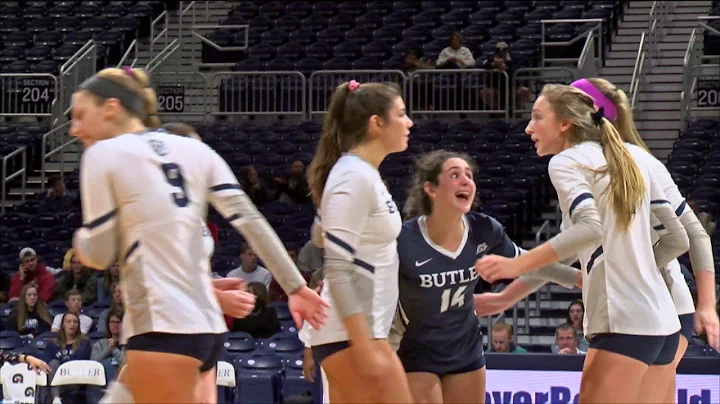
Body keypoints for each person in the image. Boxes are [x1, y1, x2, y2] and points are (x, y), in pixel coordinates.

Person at [69, 67, 329, 403]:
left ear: (111, 108)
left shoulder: (103, 153)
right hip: (205, 331)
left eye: (79, 115)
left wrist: (82, 242)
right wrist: (296, 287)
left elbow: (100, 254)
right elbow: (251, 219)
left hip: (162, 327)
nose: (74, 129)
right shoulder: (197, 151)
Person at [475, 83, 690, 403]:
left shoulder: (566, 162)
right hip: (665, 325)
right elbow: (677, 239)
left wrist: (514, 264)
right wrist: (508, 296)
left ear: (565, 124)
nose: (528, 127)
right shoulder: (630, 159)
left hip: (623, 324)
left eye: (537, 117)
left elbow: (591, 229)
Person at [391, 150, 580, 403]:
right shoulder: (404, 239)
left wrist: (578, 279)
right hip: (416, 349)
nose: (466, 180)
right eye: (454, 175)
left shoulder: (484, 229)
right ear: (431, 189)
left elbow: (529, 262)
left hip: (465, 348)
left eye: (469, 175)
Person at [572, 77, 719, 402]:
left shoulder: (637, 162)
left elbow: (695, 234)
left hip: (651, 308)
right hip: (646, 309)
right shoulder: (587, 165)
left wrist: (707, 307)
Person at [305, 79, 414, 403]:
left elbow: (321, 236)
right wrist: (363, 341)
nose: (409, 122)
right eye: (402, 114)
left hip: (358, 332)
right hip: (353, 335)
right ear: (376, 124)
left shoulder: (360, 174)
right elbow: (336, 270)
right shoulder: (352, 176)